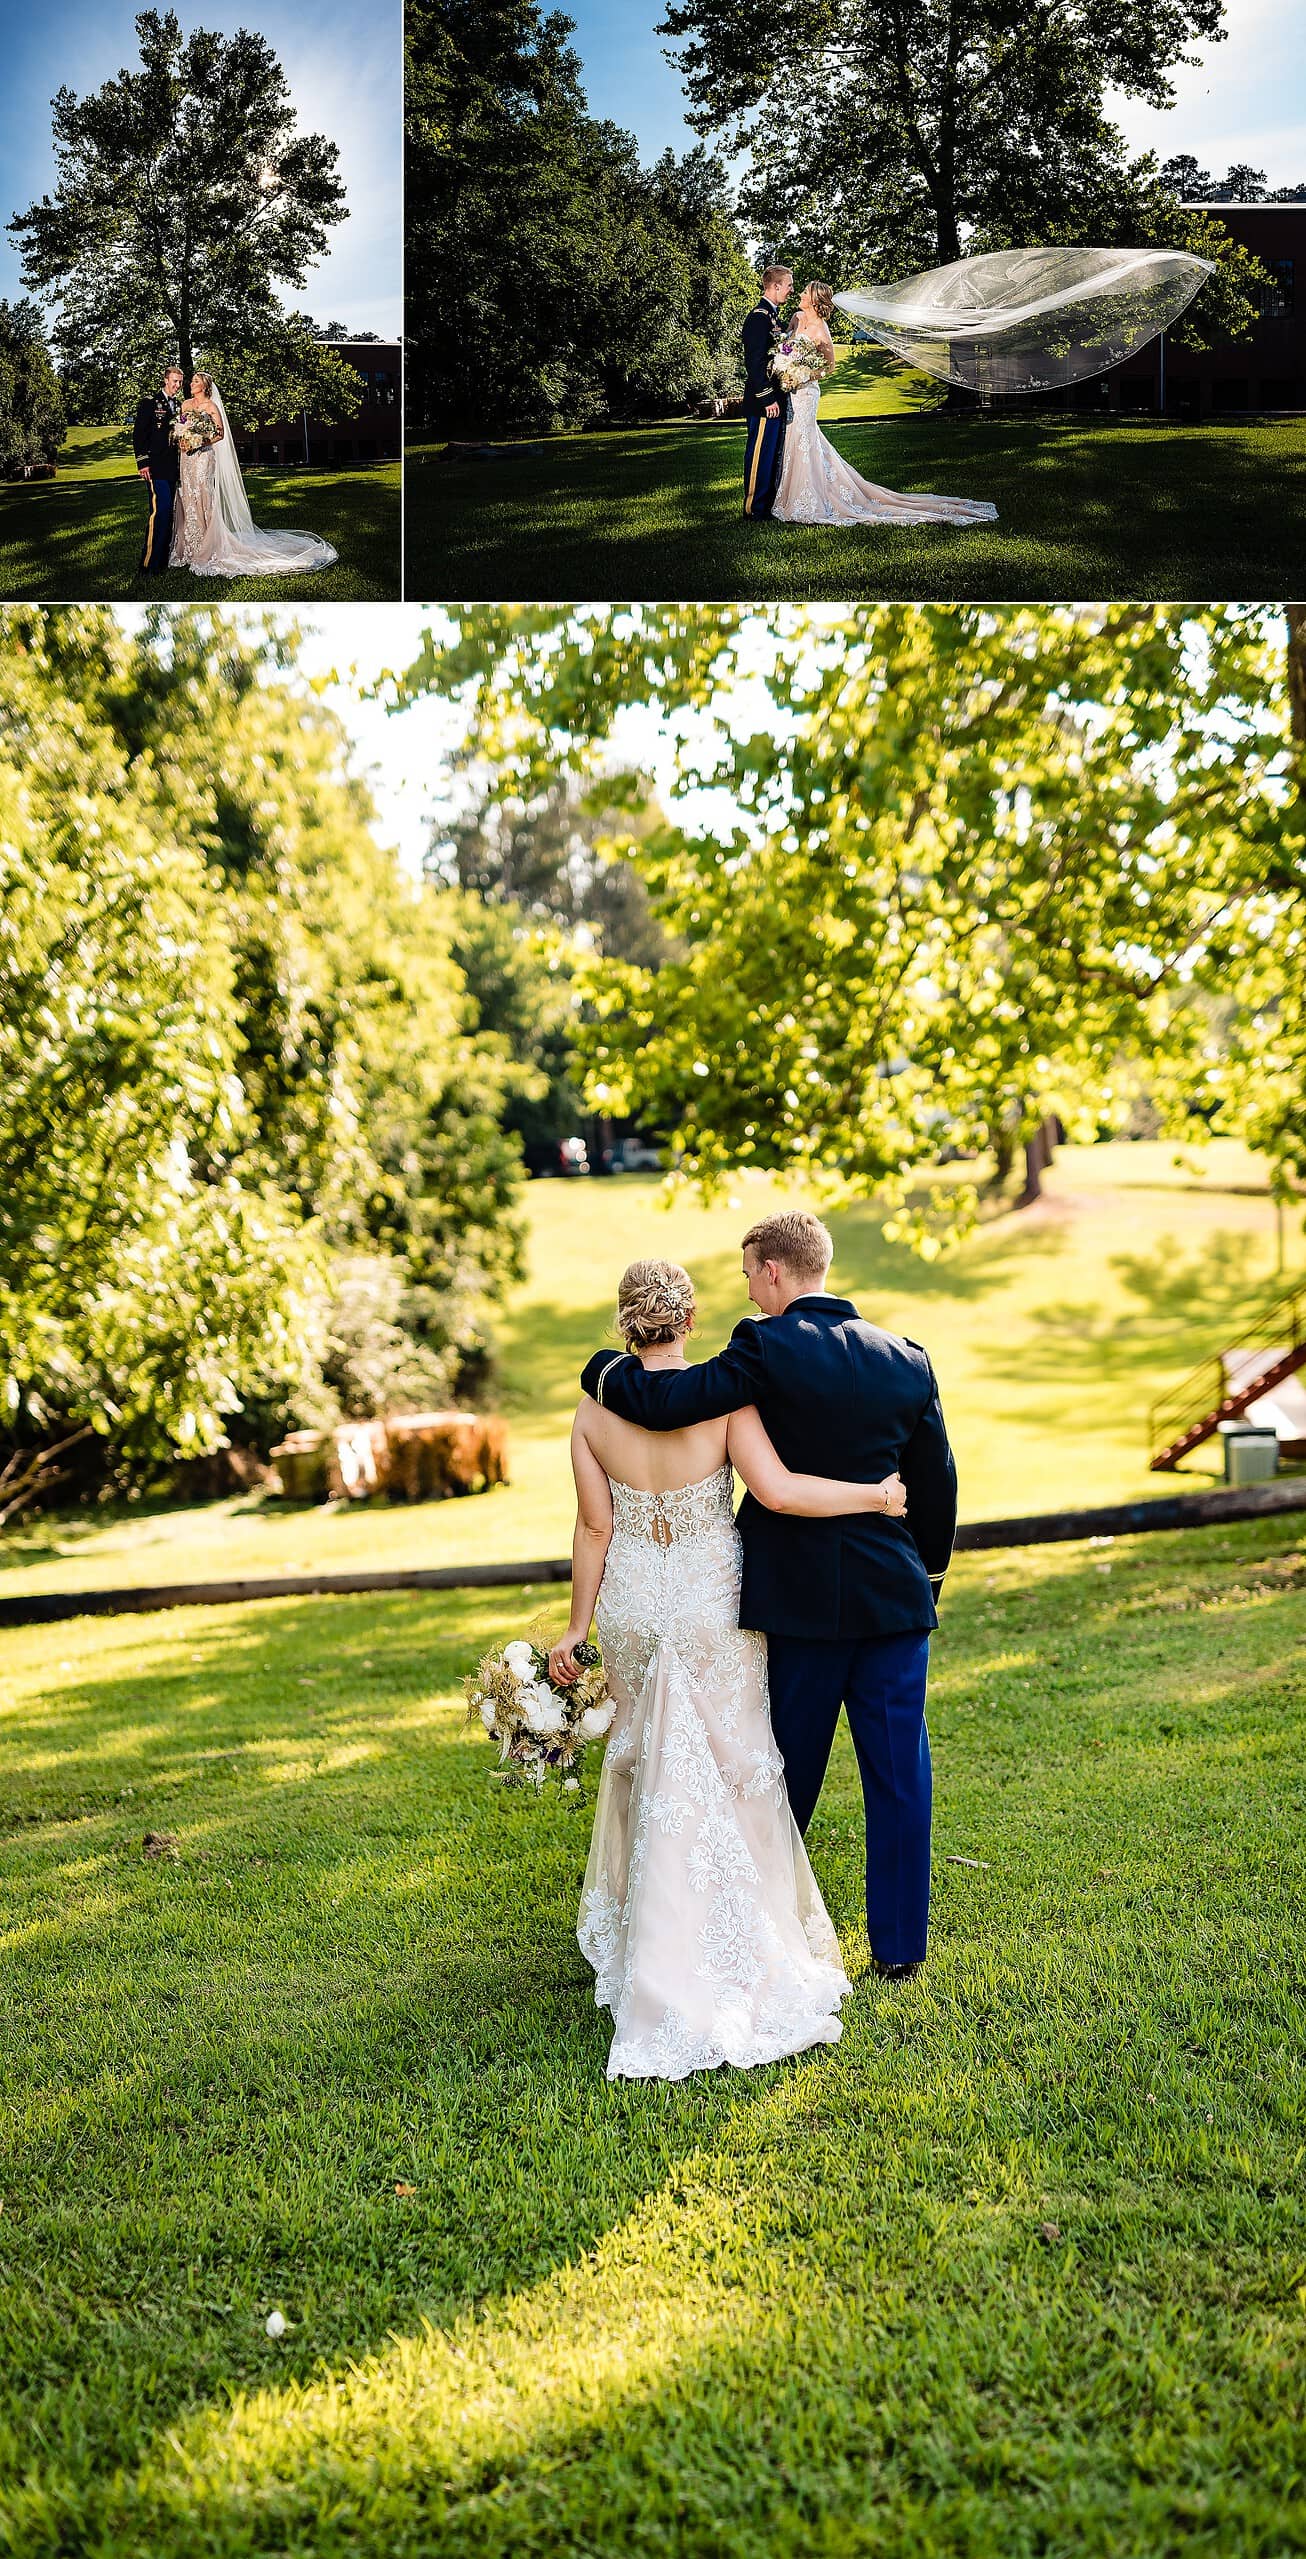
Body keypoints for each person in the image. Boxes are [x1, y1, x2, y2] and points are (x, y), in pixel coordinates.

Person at [578, 1209, 957, 1991]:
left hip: (796, 1600)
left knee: (783, 1771)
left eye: (751, 1271)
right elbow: (937, 1484)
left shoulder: (761, 1345)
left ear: (776, 1270)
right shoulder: (907, 1357)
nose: (748, 1287)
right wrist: (926, 1581)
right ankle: (899, 1948)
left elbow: (664, 1403)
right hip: (894, 1599)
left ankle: (762, 1923)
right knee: (899, 1773)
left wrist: (603, 1370)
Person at [772, 280, 998, 530]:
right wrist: (785, 364)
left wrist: (803, 375)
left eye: (805, 292)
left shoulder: (821, 330)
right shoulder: (796, 318)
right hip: (791, 391)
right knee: (794, 438)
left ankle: (808, 499)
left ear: (815, 300)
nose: (800, 294)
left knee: (804, 439)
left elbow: (829, 367)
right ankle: (788, 493)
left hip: (806, 392)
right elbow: (784, 346)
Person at [166, 374, 337, 578]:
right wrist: (182, 439)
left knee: (203, 494)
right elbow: (179, 427)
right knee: (187, 495)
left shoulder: (211, 406)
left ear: (205, 386)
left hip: (203, 456)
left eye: (195, 381)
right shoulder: (185, 404)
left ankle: (208, 545)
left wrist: (200, 442)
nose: (191, 384)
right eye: (192, 381)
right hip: (186, 458)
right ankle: (187, 546)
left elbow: (220, 433)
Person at [741, 264, 793, 522]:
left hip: (776, 399)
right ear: (775, 286)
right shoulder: (758, 318)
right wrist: (768, 398)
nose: (791, 290)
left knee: (771, 455)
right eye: (789, 285)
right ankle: (754, 507)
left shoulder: (773, 317)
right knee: (760, 455)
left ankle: (767, 506)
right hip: (764, 402)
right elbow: (754, 362)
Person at [132, 365, 184, 576]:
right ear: (165, 380)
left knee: (169, 513)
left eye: (180, 382)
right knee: (160, 511)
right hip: (155, 467)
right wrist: (142, 463)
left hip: (172, 467)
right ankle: (149, 564)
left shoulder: (179, 406)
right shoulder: (150, 403)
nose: (177, 385)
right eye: (174, 381)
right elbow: (139, 434)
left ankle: (162, 561)